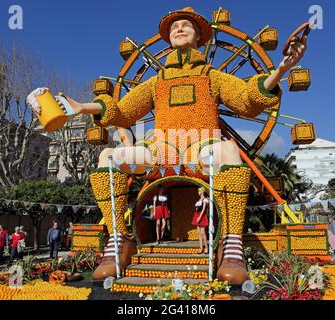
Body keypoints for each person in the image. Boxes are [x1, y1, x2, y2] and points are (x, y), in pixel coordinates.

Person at [31, 7, 308, 284]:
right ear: (167, 38)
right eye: (174, 26)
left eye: (186, 25)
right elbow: (123, 111)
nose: (179, 28)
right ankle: (120, 240)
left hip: (201, 147)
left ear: (200, 36)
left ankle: (230, 244)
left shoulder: (212, 76)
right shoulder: (156, 83)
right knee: (108, 156)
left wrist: (283, 67)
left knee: (228, 150)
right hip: (161, 151)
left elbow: (247, 98)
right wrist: (81, 107)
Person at [191, 187, 209, 254]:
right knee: (198, 233)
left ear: (202, 192)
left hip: (201, 216)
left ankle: (206, 247)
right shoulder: (199, 201)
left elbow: (204, 209)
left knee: (203, 232)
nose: (198, 192)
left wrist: (200, 217)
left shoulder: (204, 200)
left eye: (199, 191)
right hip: (197, 215)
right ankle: (201, 247)